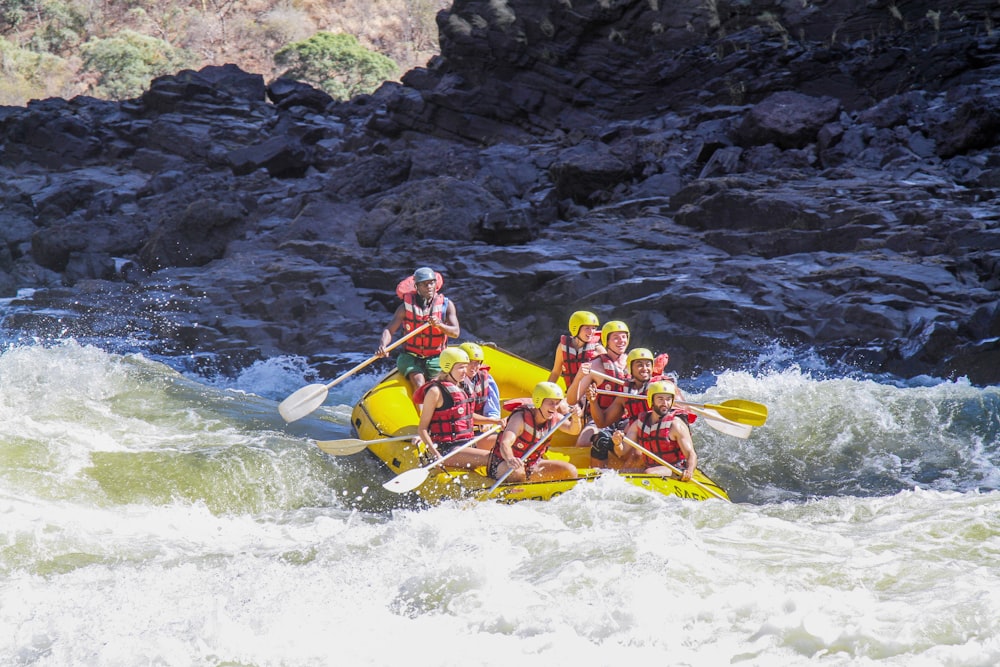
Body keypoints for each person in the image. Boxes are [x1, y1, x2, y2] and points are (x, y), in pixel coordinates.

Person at [377, 267, 460, 391]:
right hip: (411, 357)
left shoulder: (446, 306)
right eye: (425, 284)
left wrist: (439, 325)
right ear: (416, 287)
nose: (429, 287)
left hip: (436, 357)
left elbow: (455, 332)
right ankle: (421, 410)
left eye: (432, 283)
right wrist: (383, 345)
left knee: (437, 389)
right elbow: (389, 329)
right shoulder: (405, 307)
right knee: (419, 383)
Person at [411, 347, 495, 470]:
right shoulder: (435, 391)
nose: (465, 371)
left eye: (465, 367)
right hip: (448, 449)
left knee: (504, 444)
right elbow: (422, 429)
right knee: (495, 459)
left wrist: (495, 421)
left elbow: (467, 416)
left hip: (468, 442)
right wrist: (436, 454)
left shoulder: (464, 387)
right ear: (447, 367)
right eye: (461, 367)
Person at [487, 381, 582, 483]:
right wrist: (510, 459)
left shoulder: (555, 417)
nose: (555, 407)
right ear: (538, 401)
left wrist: (576, 419)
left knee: (570, 471)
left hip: (532, 464)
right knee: (518, 472)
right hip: (504, 463)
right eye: (550, 402)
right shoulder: (520, 418)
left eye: (557, 403)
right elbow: (505, 443)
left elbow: (573, 430)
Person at [610, 380, 698, 481]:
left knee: (649, 473)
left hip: (675, 469)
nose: (665, 403)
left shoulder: (676, 425)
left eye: (668, 399)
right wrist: (617, 443)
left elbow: (691, 454)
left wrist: (689, 471)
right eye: (660, 399)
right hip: (651, 467)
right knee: (622, 474)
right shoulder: (639, 423)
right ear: (651, 400)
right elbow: (621, 451)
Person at [587, 347, 658, 468]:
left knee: (637, 453)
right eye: (639, 365)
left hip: (656, 441)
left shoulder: (663, 388)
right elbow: (602, 422)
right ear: (630, 368)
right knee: (601, 440)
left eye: (648, 365)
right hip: (633, 438)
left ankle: (629, 476)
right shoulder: (626, 393)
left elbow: (681, 418)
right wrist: (593, 402)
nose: (645, 368)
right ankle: (599, 479)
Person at [567, 320, 631, 446]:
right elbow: (571, 400)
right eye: (616, 338)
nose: (621, 341)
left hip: (626, 419)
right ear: (607, 341)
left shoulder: (633, 363)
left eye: (624, 337)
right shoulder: (595, 366)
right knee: (583, 442)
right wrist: (579, 376)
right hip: (599, 419)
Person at [547, 310, 605, 395]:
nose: (591, 332)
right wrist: (547, 392)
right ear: (576, 328)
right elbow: (556, 372)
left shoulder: (598, 350)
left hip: (591, 396)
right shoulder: (563, 347)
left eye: (593, 328)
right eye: (587, 328)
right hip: (571, 395)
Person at [459, 342, 504, 443]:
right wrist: (492, 421)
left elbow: (493, 410)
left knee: (501, 442)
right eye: (470, 361)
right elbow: (462, 414)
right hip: (457, 431)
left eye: (478, 362)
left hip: (478, 431)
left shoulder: (487, 379)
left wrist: (489, 421)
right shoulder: (452, 381)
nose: (474, 366)